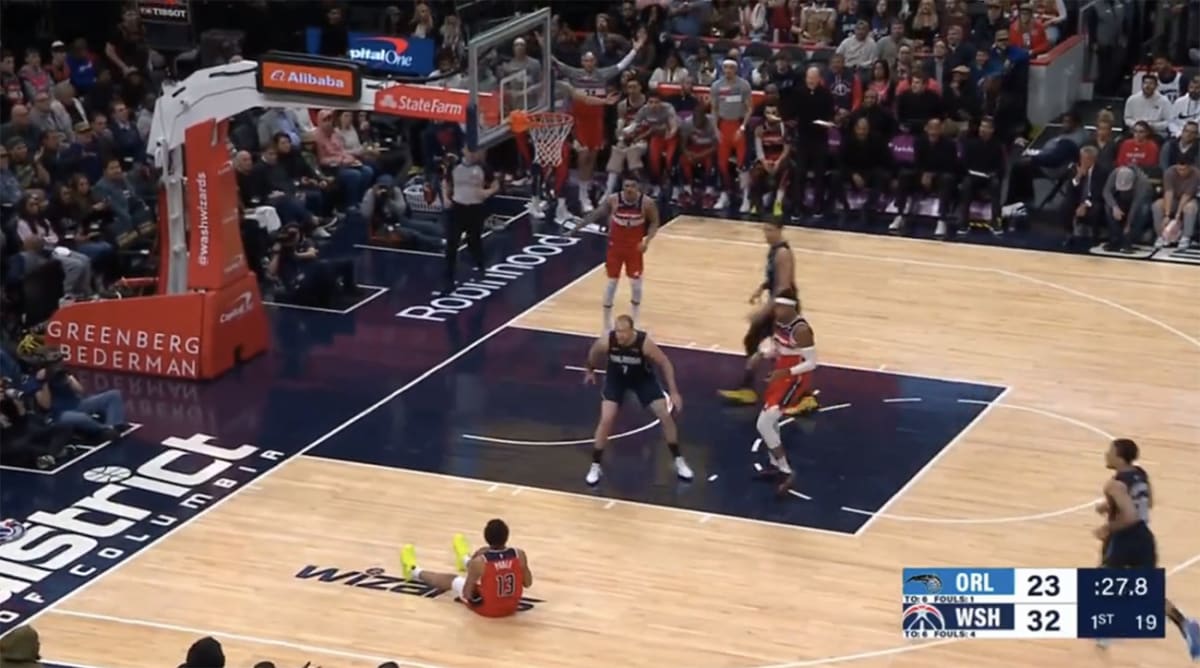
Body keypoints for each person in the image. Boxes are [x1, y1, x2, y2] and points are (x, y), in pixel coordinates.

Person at [1093, 439, 1200, 658]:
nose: (1106, 455)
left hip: (1123, 541)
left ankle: (1107, 629)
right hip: (1144, 540)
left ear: (1119, 458)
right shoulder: (1140, 474)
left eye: (1110, 452)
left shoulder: (1114, 485)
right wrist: (1109, 505)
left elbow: (1130, 516)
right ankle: (1186, 625)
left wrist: (1107, 527)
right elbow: (1146, 503)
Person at [718, 220, 815, 416]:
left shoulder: (782, 253)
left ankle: (805, 396)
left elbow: (783, 286)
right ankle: (750, 388)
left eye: (770, 230)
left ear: (780, 230)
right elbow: (774, 280)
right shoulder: (774, 250)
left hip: (783, 307)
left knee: (786, 350)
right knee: (758, 343)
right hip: (776, 305)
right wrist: (761, 288)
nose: (766, 234)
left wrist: (763, 311)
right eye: (764, 230)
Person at [581, 314, 691, 486]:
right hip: (617, 380)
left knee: (665, 415)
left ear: (632, 331)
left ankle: (678, 460)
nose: (620, 335)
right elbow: (594, 353)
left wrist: (674, 391)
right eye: (618, 331)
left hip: (642, 380)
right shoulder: (607, 340)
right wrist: (590, 370)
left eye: (623, 332)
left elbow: (665, 363)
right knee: (606, 419)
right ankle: (595, 465)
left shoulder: (643, 343)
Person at [750, 289, 816, 494]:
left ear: (790, 307)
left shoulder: (801, 330)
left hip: (795, 378)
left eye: (779, 307)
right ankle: (774, 465)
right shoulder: (778, 322)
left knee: (764, 423)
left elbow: (812, 363)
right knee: (769, 422)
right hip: (781, 373)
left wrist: (785, 372)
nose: (775, 310)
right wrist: (761, 354)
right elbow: (779, 348)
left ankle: (786, 470)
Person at [401, 519, 532, 619]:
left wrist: (477, 574)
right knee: (482, 571)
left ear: (486, 538)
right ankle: (464, 559)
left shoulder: (480, 561)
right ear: (507, 536)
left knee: (453, 580)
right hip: (512, 607)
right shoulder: (519, 554)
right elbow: (528, 583)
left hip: (489, 609)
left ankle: (413, 571)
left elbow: (467, 593)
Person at [577, 175, 659, 333]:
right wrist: (576, 228)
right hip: (616, 247)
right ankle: (606, 324)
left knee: (636, 285)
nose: (629, 189)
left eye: (632, 186)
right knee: (611, 283)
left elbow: (655, 222)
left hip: (634, 248)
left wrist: (647, 241)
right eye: (626, 186)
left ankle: (635, 321)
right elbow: (596, 214)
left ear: (638, 187)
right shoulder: (614, 200)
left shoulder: (647, 203)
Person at [443, 148, 498, 293]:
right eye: (471, 151)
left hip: (475, 209)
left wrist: (487, 192)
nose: (474, 154)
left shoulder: (484, 168)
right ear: (464, 151)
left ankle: (480, 265)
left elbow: (495, 184)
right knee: (451, 243)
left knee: (474, 241)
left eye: (476, 152)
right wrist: (446, 197)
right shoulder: (455, 166)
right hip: (457, 208)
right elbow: (446, 182)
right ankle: (448, 279)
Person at [710, 59, 755, 211]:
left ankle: (746, 196)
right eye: (725, 67)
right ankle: (725, 194)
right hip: (723, 126)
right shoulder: (716, 86)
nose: (728, 70)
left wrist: (742, 127)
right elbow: (714, 109)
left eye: (731, 68)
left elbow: (749, 108)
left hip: (738, 125)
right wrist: (716, 129)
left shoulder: (744, 85)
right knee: (722, 164)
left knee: (742, 164)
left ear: (736, 69)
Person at [750, 102, 792, 217]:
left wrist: (778, 162)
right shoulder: (759, 129)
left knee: (786, 171)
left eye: (774, 113)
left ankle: (778, 203)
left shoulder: (784, 129)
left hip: (780, 158)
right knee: (755, 172)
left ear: (778, 114)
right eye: (768, 113)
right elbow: (759, 150)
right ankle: (756, 204)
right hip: (766, 158)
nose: (771, 115)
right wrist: (764, 162)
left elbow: (787, 149)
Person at [1151, 151, 1198, 249]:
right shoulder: (1169, 172)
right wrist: (1167, 215)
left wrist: (1177, 215)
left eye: (1184, 169)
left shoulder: (1196, 174)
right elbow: (1168, 193)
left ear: (1190, 167)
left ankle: (1186, 237)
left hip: (1190, 200)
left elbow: (1186, 195)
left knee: (1190, 207)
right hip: (1174, 199)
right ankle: (1161, 235)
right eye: (1179, 169)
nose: (1181, 172)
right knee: (1157, 205)